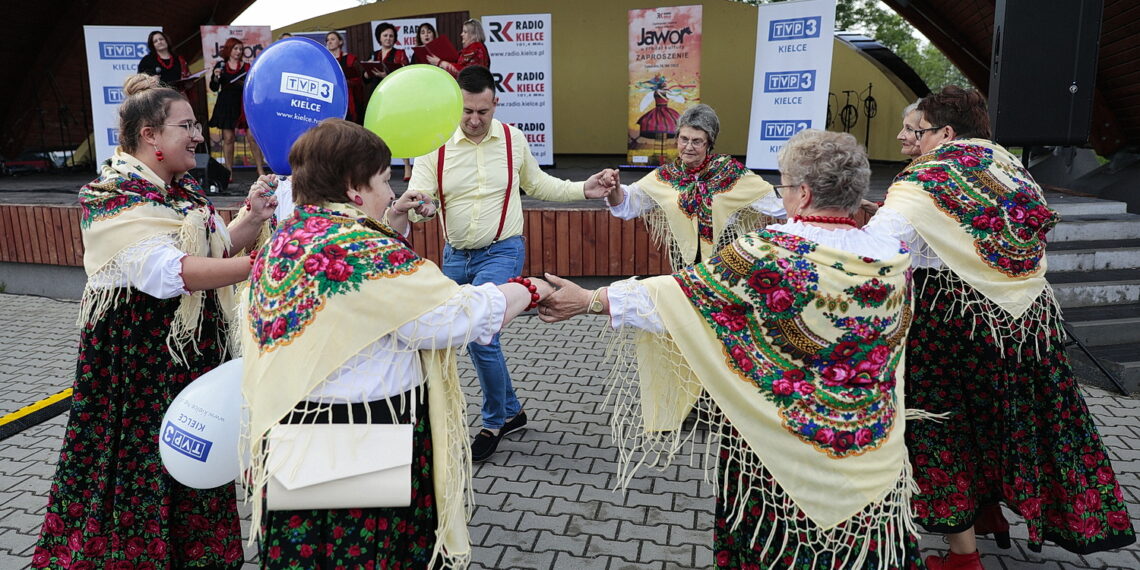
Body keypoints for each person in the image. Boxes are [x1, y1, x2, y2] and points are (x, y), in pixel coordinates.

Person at [540, 129, 924, 569]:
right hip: (870, 457)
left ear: (802, 193)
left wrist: (590, 299)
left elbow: (678, 300)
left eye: (782, 183)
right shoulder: (893, 258)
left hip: (782, 457)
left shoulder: (768, 255)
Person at [242, 118, 556, 569]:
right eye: (382, 179)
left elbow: (373, 297)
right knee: (364, 553)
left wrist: (393, 225)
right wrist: (529, 289)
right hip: (359, 435)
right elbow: (452, 316)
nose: (390, 192)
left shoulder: (289, 237)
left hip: (295, 427)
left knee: (313, 551)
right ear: (354, 187)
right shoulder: (360, 249)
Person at [864, 86, 1136, 569]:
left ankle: (963, 556)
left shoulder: (926, 179)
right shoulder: (1010, 168)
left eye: (916, 130)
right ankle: (991, 514)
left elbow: (880, 248)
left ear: (946, 133)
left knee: (942, 430)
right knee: (1008, 423)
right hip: (1027, 322)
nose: (907, 139)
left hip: (951, 325)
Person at [30, 73, 277, 568]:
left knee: (193, 460)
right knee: (136, 467)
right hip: (137, 370)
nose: (197, 135)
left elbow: (212, 248)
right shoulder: (111, 197)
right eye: (186, 126)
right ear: (150, 136)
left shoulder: (179, 192)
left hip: (185, 361)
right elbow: (172, 273)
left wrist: (251, 218)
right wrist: (268, 264)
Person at [408, 65, 617, 462]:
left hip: (503, 250)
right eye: (466, 111)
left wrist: (582, 189)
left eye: (482, 112)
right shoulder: (433, 144)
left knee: (482, 335)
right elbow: (420, 201)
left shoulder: (511, 140)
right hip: (454, 256)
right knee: (449, 333)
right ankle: (513, 411)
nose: (473, 120)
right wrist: (421, 208)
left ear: (494, 104)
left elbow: (538, 184)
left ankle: (493, 422)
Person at [604, 103, 779, 269]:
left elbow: (771, 200)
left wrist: (803, 197)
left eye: (696, 141)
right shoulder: (665, 176)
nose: (688, 147)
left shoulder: (730, 172)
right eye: (684, 139)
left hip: (726, 261)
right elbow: (626, 205)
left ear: (708, 144)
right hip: (684, 263)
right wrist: (613, 188)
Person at [209, 37, 266, 178]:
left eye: (240, 49)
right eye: (235, 48)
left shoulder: (247, 67)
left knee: (252, 137)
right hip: (227, 104)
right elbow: (214, 87)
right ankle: (229, 171)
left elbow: (255, 85)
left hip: (243, 103)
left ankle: (260, 169)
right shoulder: (221, 65)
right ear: (229, 49)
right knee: (228, 138)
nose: (238, 51)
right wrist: (216, 77)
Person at [366, 22, 413, 181]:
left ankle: (407, 165)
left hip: (395, 96)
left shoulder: (400, 54)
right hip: (378, 96)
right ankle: (382, 166)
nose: (388, 38)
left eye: (391, 35)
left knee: (400, 129)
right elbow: (365, 79)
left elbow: (406, 76)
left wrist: (385, 76)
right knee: (379, 132)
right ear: (379, 37)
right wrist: (367, 73)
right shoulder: (374, 55)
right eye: (385, 35)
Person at [326, 31, 365, 123]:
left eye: (332, 39)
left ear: (340, 42)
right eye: (327, 40)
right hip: (332, 97)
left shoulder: (350, 59)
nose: (329, 42)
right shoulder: (325, 60)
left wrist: (347, 83)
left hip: (350, 97)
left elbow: (359, 79)